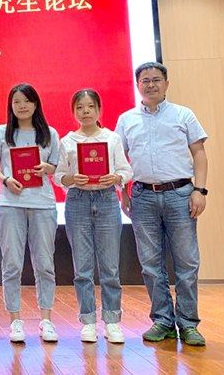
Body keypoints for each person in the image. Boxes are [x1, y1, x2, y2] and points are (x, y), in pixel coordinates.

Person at [116, 62, 208, 346]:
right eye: (145, 80)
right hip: (142, 196)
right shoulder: (126, 119)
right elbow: (119, 161)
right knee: (150, 264)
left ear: (166, 83)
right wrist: (124, 195)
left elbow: (199, 153)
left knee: (187, 262)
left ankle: (189, 324)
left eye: (157, 80)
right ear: (137, 85)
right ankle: (163, 321)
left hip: (180, 193)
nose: (151, 85)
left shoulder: (183, 114)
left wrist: (200, 190)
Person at [53, 89, 133, 344]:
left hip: (107, 200)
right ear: (73, 112)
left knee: (110, 267)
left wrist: (116, 178)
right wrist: (71, 178)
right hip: (77, 202)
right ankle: (88, 321)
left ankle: (112, 320)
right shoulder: (67, 141)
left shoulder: (112, 138)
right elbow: (58, 176)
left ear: (99, 109)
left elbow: (126, 170)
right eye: (80, 107)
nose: (85, 111)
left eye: (90, 106)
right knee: (82, 268)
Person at [0, 83, 59, 343]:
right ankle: (15, 320)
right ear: (10, 106)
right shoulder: (1, 133)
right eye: (16, 102)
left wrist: (47, 168)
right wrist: (5, 179)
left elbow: (55, 168)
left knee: (45, 264)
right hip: (10, 204)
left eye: (27, 101)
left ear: (36, 104)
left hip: (43, 205)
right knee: (12, 263)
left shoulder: (50, 133)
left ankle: (46, 320)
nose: (22, 106)